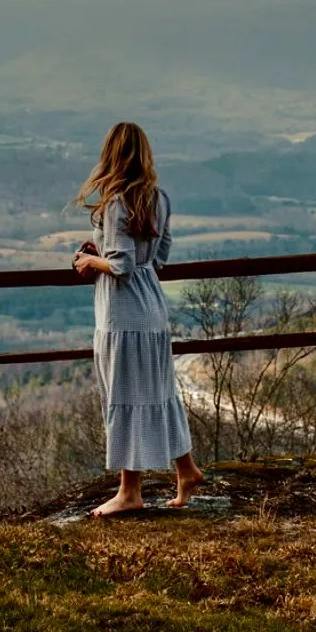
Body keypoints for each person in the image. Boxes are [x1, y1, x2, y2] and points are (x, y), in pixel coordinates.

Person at [72, 121, 203, 516]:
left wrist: (90, 259)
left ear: (111, 155)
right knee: (159, 393)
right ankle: (187, 468)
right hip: (153, 310)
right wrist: (111, 251)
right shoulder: (158, 198)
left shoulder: (115, 202)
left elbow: (122, 265)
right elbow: (157, 257)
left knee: (124, 396)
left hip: (122, 313)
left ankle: (129, 492)